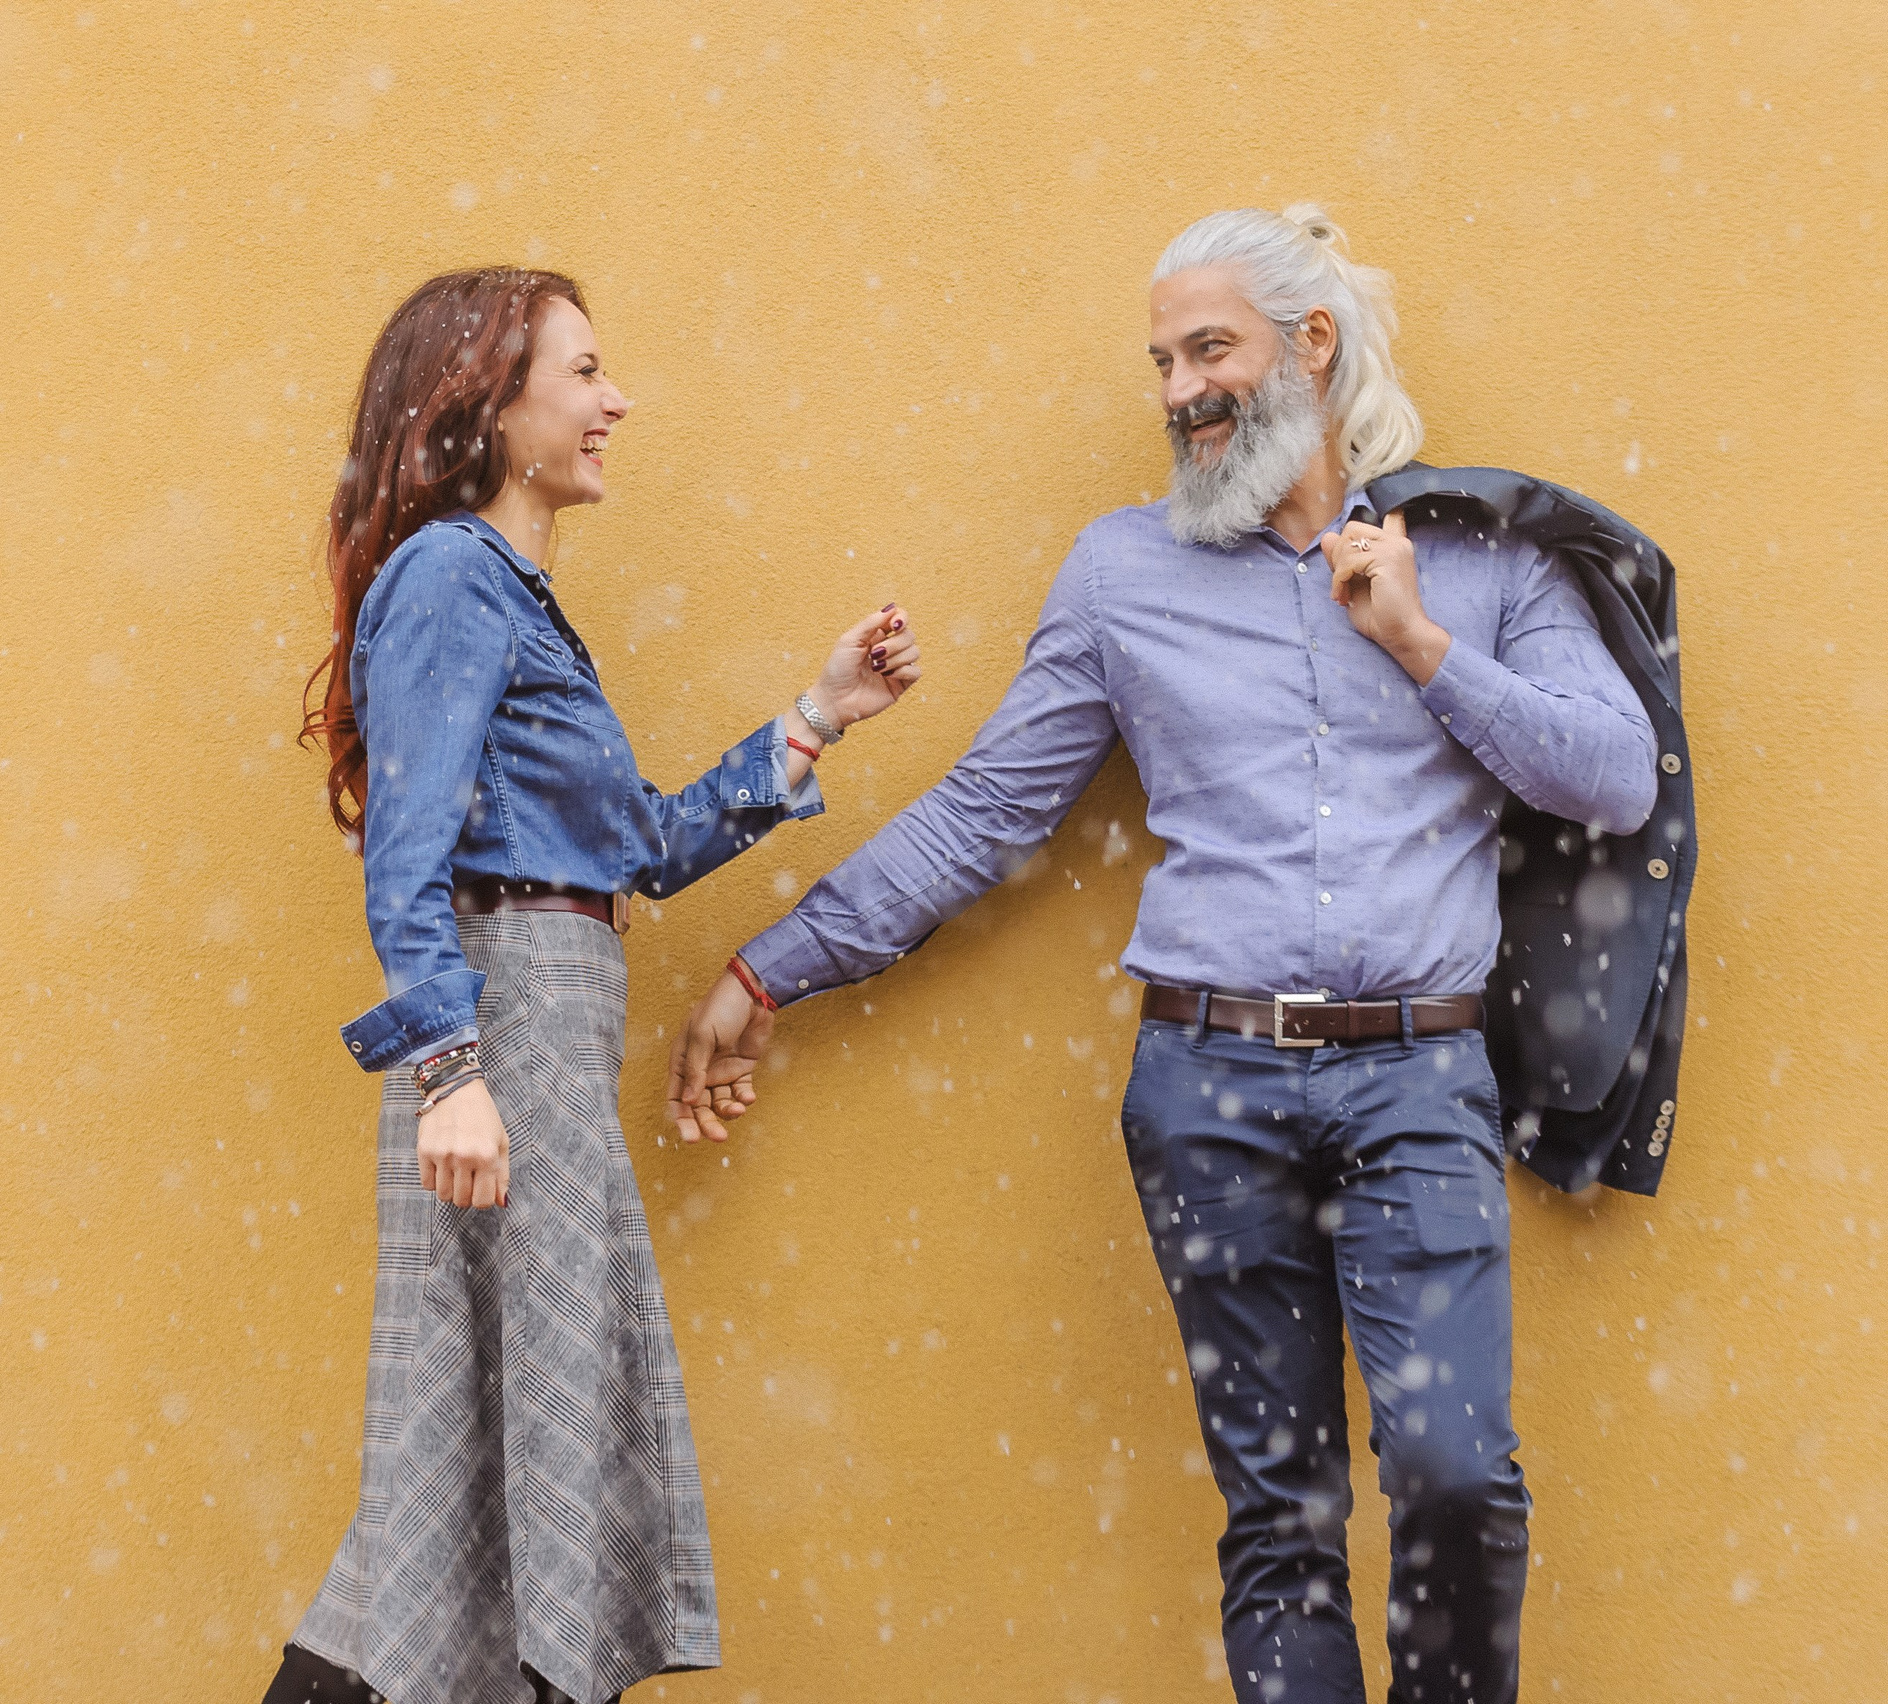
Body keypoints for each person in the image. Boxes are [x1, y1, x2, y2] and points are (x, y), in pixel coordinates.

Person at [666, 206, 1657, 1704]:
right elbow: (990, 809)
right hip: (1209, 1094)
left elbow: (1613, 776)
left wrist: (1422, 646)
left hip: (1421, 1084)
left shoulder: (1481, 552)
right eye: (1162, 361)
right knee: (1283, 1523)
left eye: (1211, 350)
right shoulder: (1122, 574)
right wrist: (771, 968)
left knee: (1459, 1482)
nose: (1180, 389)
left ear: (1309, 350)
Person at [269, 267, 923, 1704]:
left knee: (489, 1452)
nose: (613, 399)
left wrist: (819, 718)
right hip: (501, 1040)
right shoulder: (450, 577)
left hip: (544, 1032)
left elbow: (635, 849)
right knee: (513, 1440)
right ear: (491, 409)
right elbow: (409, 846)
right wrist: (452, 1072)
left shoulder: (515, 596)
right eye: (582, 373)